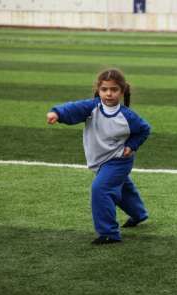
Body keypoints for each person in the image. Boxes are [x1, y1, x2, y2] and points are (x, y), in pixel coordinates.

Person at [47, 68, 151, 245]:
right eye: (104, 89)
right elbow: (73, 108)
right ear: (98, 90)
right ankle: (139, 214)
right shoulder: (91, 107)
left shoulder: (128, 116)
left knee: (101, 189)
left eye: (114, 89)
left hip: (119, 160)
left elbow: (144, 130)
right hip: (100, 159)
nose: (109, 94)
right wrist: (57, 113)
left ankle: (109, 233)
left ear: (122, 90)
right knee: (123, 188)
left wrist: (131, 146)